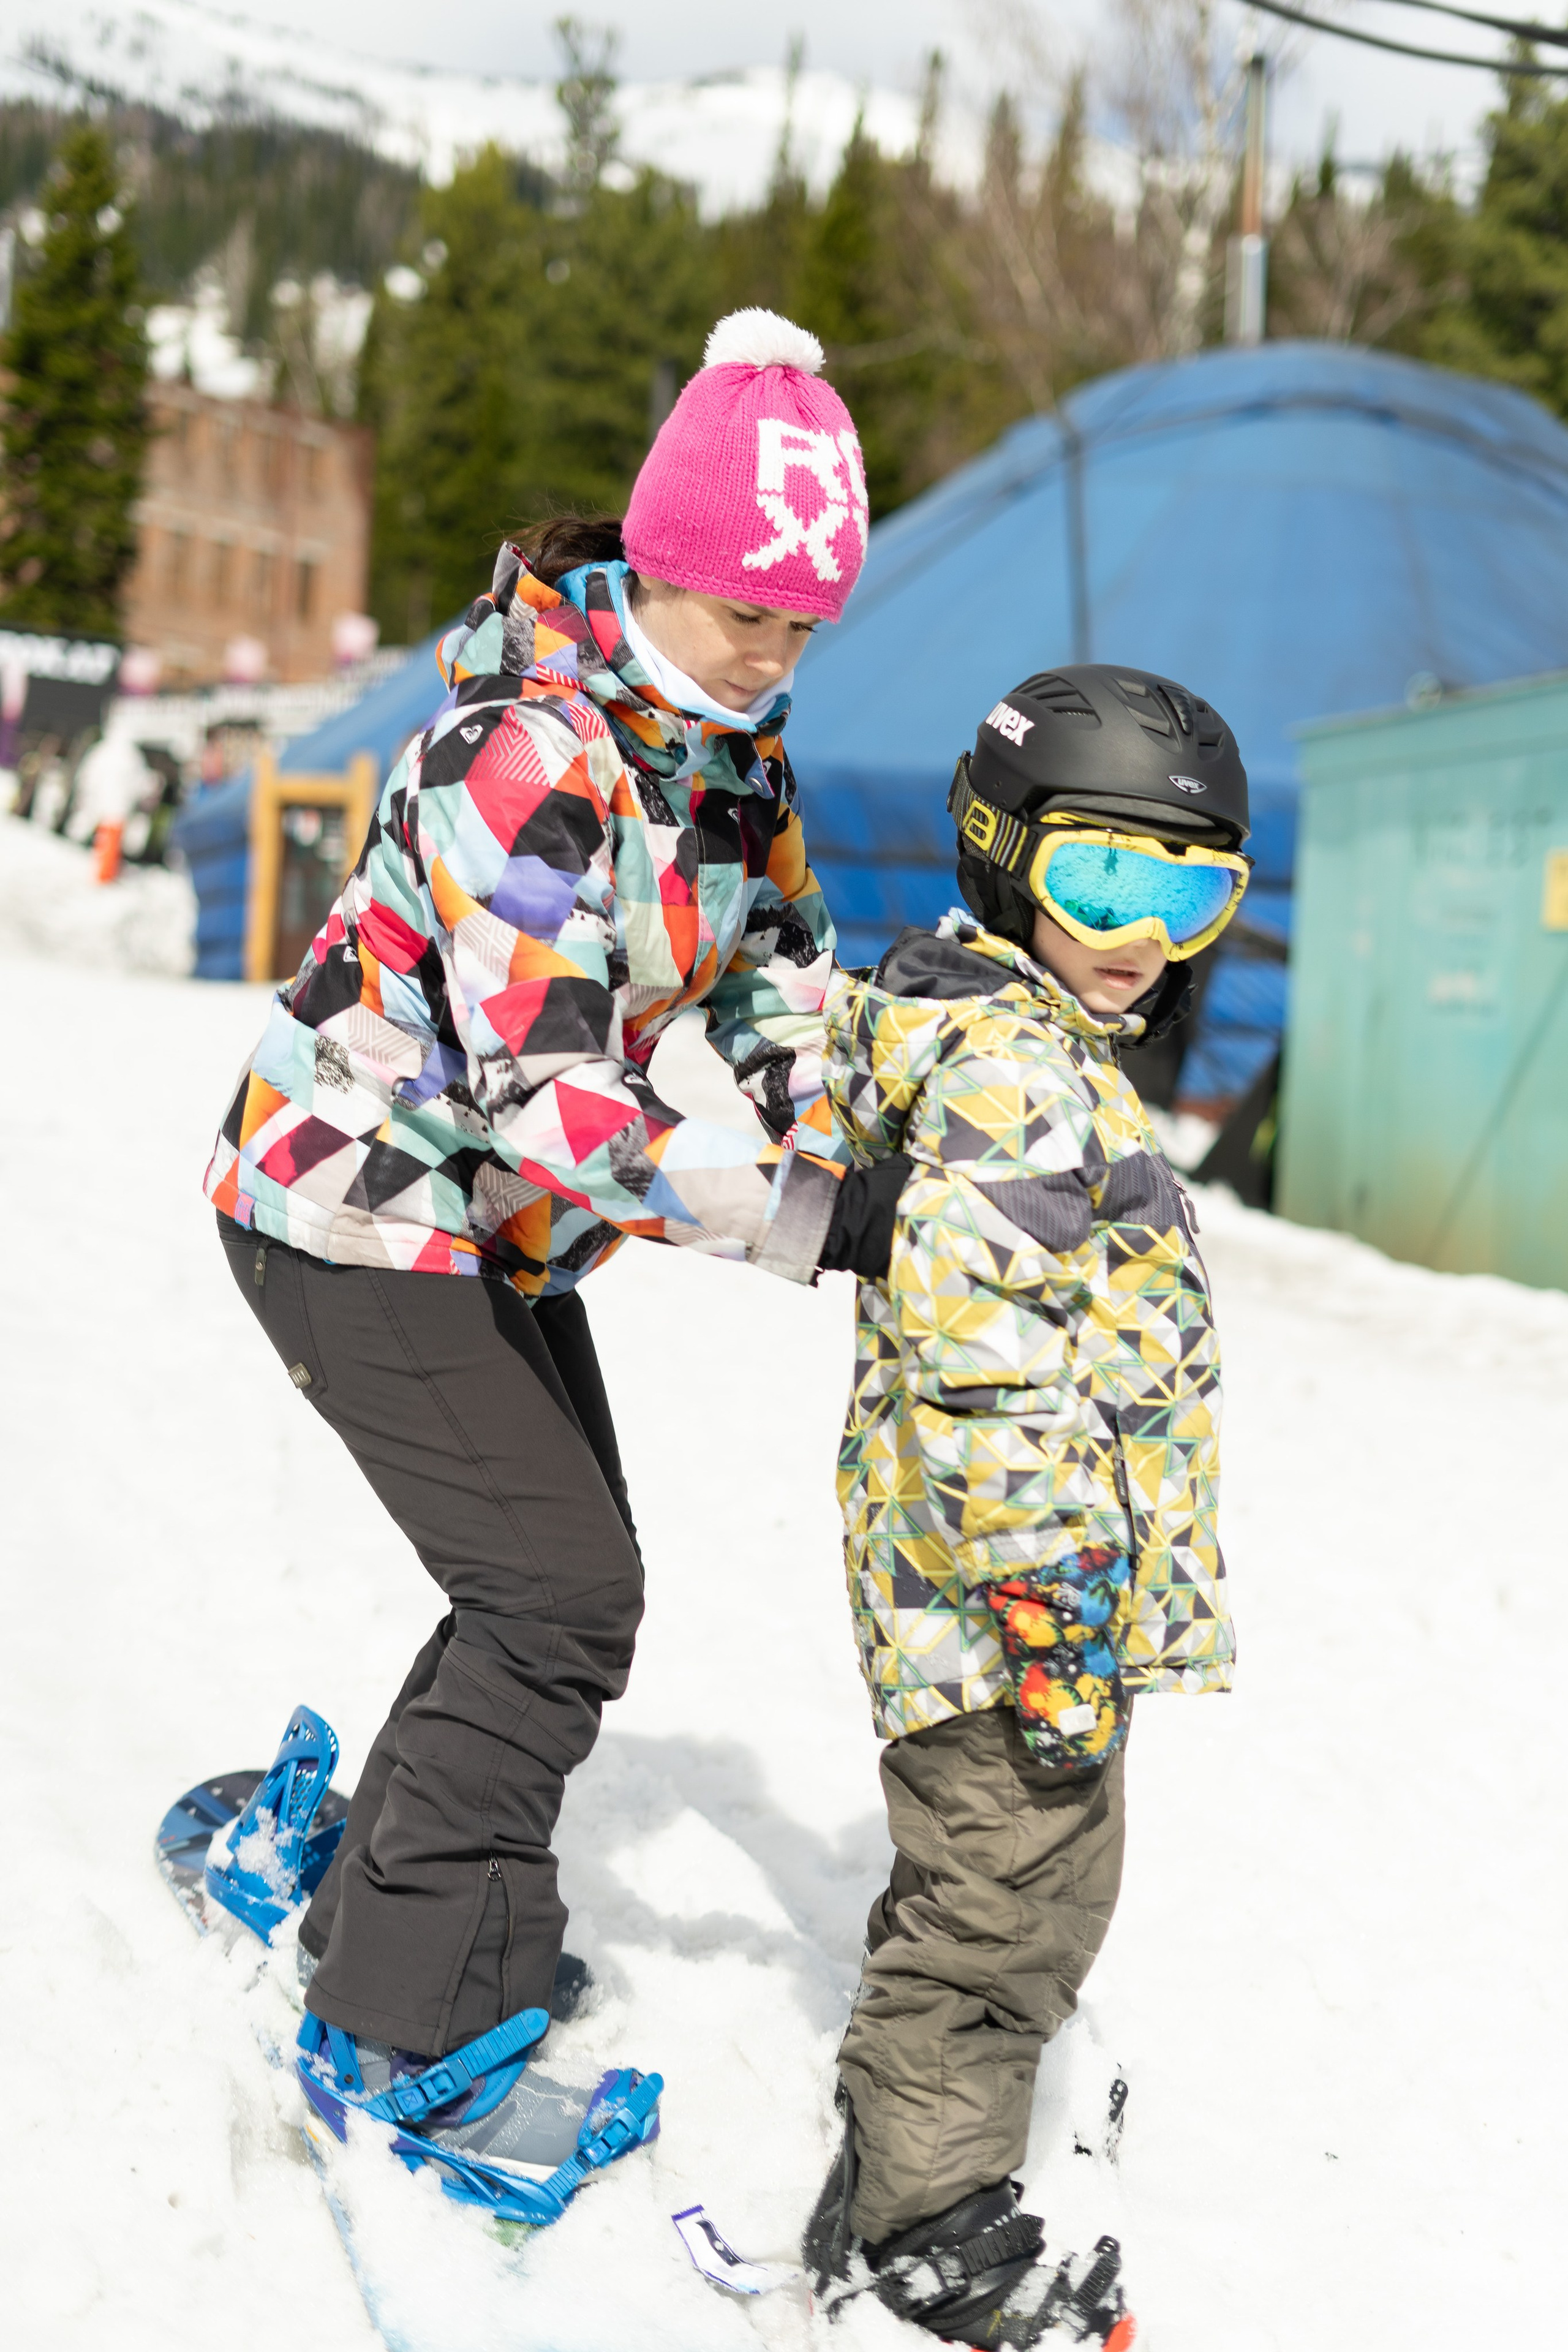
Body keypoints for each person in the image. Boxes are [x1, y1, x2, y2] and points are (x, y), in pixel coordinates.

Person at [198, 309, 907, 2192]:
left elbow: (777, 979)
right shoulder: (520, 753)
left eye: (805, 624)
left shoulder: (731, 757)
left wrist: (855, 1133)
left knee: (551, 1587)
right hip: (352, 1202)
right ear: (660, 562)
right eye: (746, 611)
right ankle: (397, 2026)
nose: (773, 656)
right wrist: (803, 1221)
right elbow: (547, 1092)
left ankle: (381, 1907)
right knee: (557, 1599)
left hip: (483, 1233)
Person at [804, 664, 1250, 2349]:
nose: (1140, 935)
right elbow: (982, 1373)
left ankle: (904, 2143)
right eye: (1102, 879)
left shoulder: (1045, 1044)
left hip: (1017, 1592)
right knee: (999, 1909)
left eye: (1188, 894)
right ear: (1005, 856)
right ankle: (921, 2231)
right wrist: (1051, 1600)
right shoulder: (1013, 1073)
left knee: (1018, 1884)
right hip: (1000, 1602)